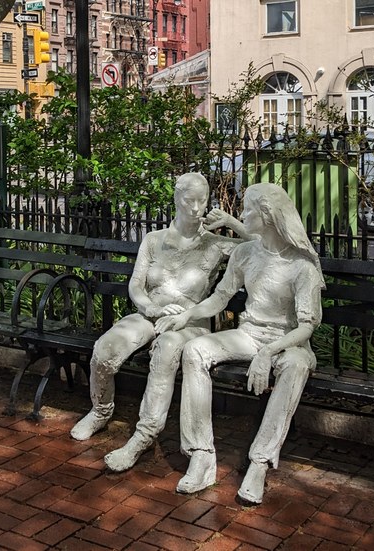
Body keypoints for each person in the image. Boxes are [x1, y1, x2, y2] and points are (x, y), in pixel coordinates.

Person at [156, 182, 325, 504]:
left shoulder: (302, 266)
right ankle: (201, 456)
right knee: (195, 350)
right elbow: (220, 298)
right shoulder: (245, 253)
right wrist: (186, 316)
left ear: (268, 215)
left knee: (296, 367)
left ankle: (260, 463)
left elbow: (307, 326)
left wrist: (269, 352)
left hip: (288, 343)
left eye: (247, 209)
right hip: (249, 336)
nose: (241, 215)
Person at [71, 173, 249, 474]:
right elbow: (136, 286)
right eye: (188, 200)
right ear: (176, 199)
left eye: (202, 201)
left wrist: (232, 223)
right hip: (150, 313)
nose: (195, 208)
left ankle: (143, 436)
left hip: (189, 322)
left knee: (166, 351)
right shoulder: (154, 241)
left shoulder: (217, 244)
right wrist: (149, 307)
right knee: (105, 349)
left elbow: (265, 247)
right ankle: (101, 410)